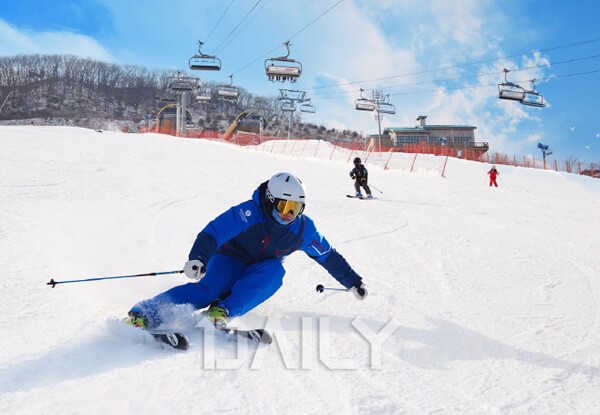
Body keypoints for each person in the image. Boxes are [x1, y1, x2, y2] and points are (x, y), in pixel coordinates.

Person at [126, 172, 368, 330]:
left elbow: (327, 256)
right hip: (229, 258)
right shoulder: (249, 212)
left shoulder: (304, 229)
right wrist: (198, 258)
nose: (288, 214)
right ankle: (144, 313)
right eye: (284, 206)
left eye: (296, 208)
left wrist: (353, 281)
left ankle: (222, 311)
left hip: (260, 269)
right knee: (208, 290)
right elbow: (214, 232)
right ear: (270, 200)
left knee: (276, 273)